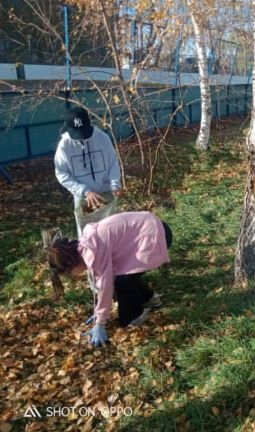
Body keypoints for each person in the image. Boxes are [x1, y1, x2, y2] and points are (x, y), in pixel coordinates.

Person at [46, 211, 173, 346]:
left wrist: (100, 322)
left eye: (71, 273)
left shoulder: (93, 253)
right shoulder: (87, 243)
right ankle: (149, 299)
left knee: (123, 283)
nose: (74, 276)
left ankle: (134, 316)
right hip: (151, 226)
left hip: (156, 235)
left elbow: (105, 287)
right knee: (124, 277)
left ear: (72, 264)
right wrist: (99, 313)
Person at [54, 106, 123, 238]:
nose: (81, 137)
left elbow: (113, 162)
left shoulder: (103, 138)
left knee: (111, 231)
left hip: (106, 192)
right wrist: (85, 191)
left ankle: (111, 255)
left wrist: (115, 184)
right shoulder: (64, 145)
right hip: (83, 196)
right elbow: (61, 173)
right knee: (86, 235)